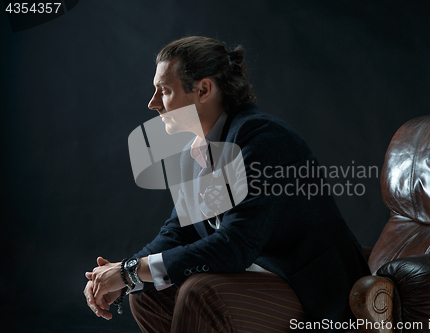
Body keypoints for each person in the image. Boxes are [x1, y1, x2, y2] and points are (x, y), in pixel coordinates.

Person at [84, 36, 370, 332]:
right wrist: (125, 274)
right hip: (252, 277)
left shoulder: (263, 139)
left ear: (204, 89)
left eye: (165, 91)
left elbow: (236, 245)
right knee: (147, 294)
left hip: (309, 288)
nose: (152, 103)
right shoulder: (190, 154)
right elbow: (178, 232)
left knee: (199, 291)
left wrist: (130, 272)